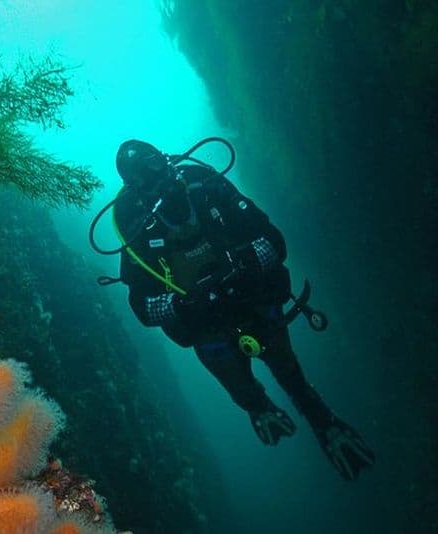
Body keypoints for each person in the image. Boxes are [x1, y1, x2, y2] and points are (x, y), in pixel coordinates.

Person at [109, 139, 375, 480]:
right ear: (134, 189)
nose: (158, 182)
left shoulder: (205, 186)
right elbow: (143, 308)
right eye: (144, 179)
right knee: (241, 387)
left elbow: (274, 241)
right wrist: (184, 303)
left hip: (254, 301)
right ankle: (259, 408)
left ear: (166, 161)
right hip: (207, 328)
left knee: (291, 375)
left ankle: (327, 426)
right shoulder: (134, 224)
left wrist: (245, 262)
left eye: (156, 167)